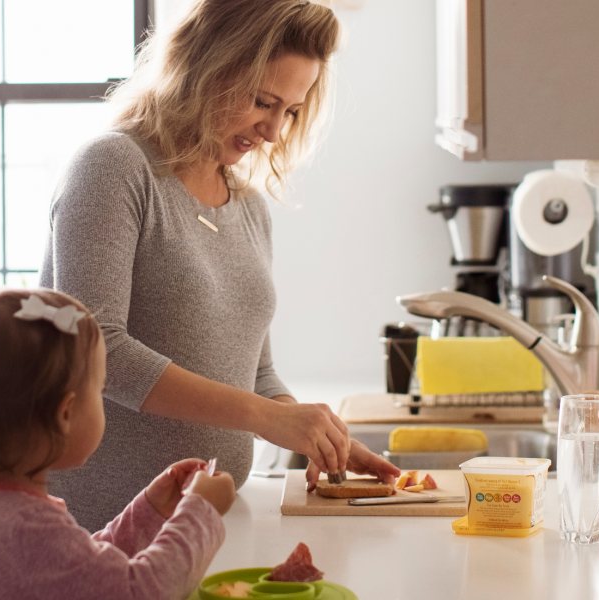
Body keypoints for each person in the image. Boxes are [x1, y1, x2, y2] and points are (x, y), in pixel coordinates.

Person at [41, 0, 398, 532]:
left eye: (292, 111)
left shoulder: (248, 206)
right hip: (100, 531)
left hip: (207, 524)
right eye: (263, 101)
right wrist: (268, 418)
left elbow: (256, 371)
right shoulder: (115, 168)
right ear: (207, 67)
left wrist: (317, 435)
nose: (274, 130)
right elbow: (96, 349)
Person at [0, 289, 236, 599]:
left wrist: (151, 509)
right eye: (100, 388)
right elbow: (140, 592)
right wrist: (201, 512)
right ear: (65, 412)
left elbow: (86, 575)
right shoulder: (24, 528)